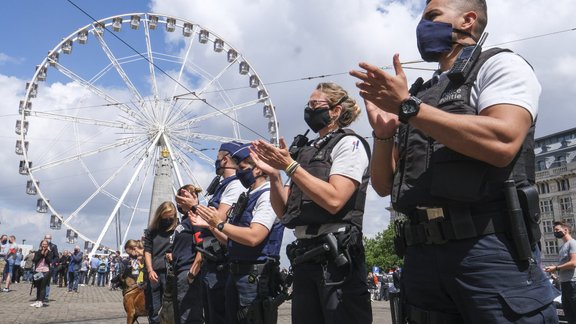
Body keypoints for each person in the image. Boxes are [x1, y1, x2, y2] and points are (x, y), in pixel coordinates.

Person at [350, 0, 557, 322]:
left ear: (468, 19)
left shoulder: (499, 65)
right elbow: (382, 185)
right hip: (420, 255)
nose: (422, 27)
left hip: (487, 250)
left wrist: (408, 107)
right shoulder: (419, 95)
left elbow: (502, 141)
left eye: (432, 16)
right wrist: (383, 135)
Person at [252, 82, 372, 324]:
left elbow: (335, 200)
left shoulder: (349, 144)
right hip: (305, 256)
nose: (309, 110)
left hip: (336, 258)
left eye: (315, 104)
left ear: (336, 110)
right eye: (308, 105)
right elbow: (284, 211)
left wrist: (289, 166)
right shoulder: (305, 153)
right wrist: (275, 175)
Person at [194, 144, 285, 324]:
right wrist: (213, 225)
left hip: (254, 276)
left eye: (243, 168)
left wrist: (218, 223)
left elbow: (253, 237)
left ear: (258, 169)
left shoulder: (266, 196)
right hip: (236, 273)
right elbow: (230, 240)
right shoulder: (248, 195)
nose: (239, 173)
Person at [176, 141, 245, 324]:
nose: (217, 163)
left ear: (226, 159)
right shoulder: (222, 187)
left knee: (219, 315)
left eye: (218, 159)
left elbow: (218, 218)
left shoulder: (235, 186)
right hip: (212, 261)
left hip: (220, 262)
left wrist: (195, 206)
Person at [172, 184, 204, 324]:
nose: (181, 201)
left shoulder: (195, 218)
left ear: (194, 197)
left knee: (189, 317)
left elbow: (202, 245)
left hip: (187, 271)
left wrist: (192, 272)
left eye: (184, 196)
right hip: (179, 271)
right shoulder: (185, 220)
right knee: (181, 314)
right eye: (179, 198)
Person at [144, 201, 178, 324]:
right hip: (155, 271)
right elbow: (147, 251)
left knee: (170, 306)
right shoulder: (151, 231)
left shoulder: (177, 229)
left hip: (171, 272)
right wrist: (149, 270)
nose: (168, 219)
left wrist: (174, 255)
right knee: (154, 306)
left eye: (171, 217)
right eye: (166, 216)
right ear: (160, 215)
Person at [545, 221, 576, 323]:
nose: (555, 232)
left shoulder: (572, 243)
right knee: (569, 314)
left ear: (566, 230)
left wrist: (556, 268)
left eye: (557, 230)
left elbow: (574, 263)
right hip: (565, 284)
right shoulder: (562, 247)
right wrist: (554, 271)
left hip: (573, 283)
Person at [31, 239, 55, 308]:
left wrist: (45, 255)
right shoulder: (38, 252)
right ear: (41, 244)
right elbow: (35, 260)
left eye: (45, 244)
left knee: (43, 286)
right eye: (43, 244)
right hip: (38, 270)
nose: (44, 245)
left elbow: (49, 261)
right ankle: (38, 300)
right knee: (38, 286)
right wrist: (41, 254)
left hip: (45, 271)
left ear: (47, 245)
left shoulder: (50, 252)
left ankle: (41, 301)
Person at [44, 234, 58, 302]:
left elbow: (56, 256)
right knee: (40, 280)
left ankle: (46, 296)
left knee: (47, 281)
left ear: (51, 238)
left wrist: (52, 262)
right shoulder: (42, 245)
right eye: (46, 238)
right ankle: (40, 295)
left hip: (49, 266)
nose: (47, 239)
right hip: (41, 265)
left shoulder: (53, 246)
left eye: (49, 238)